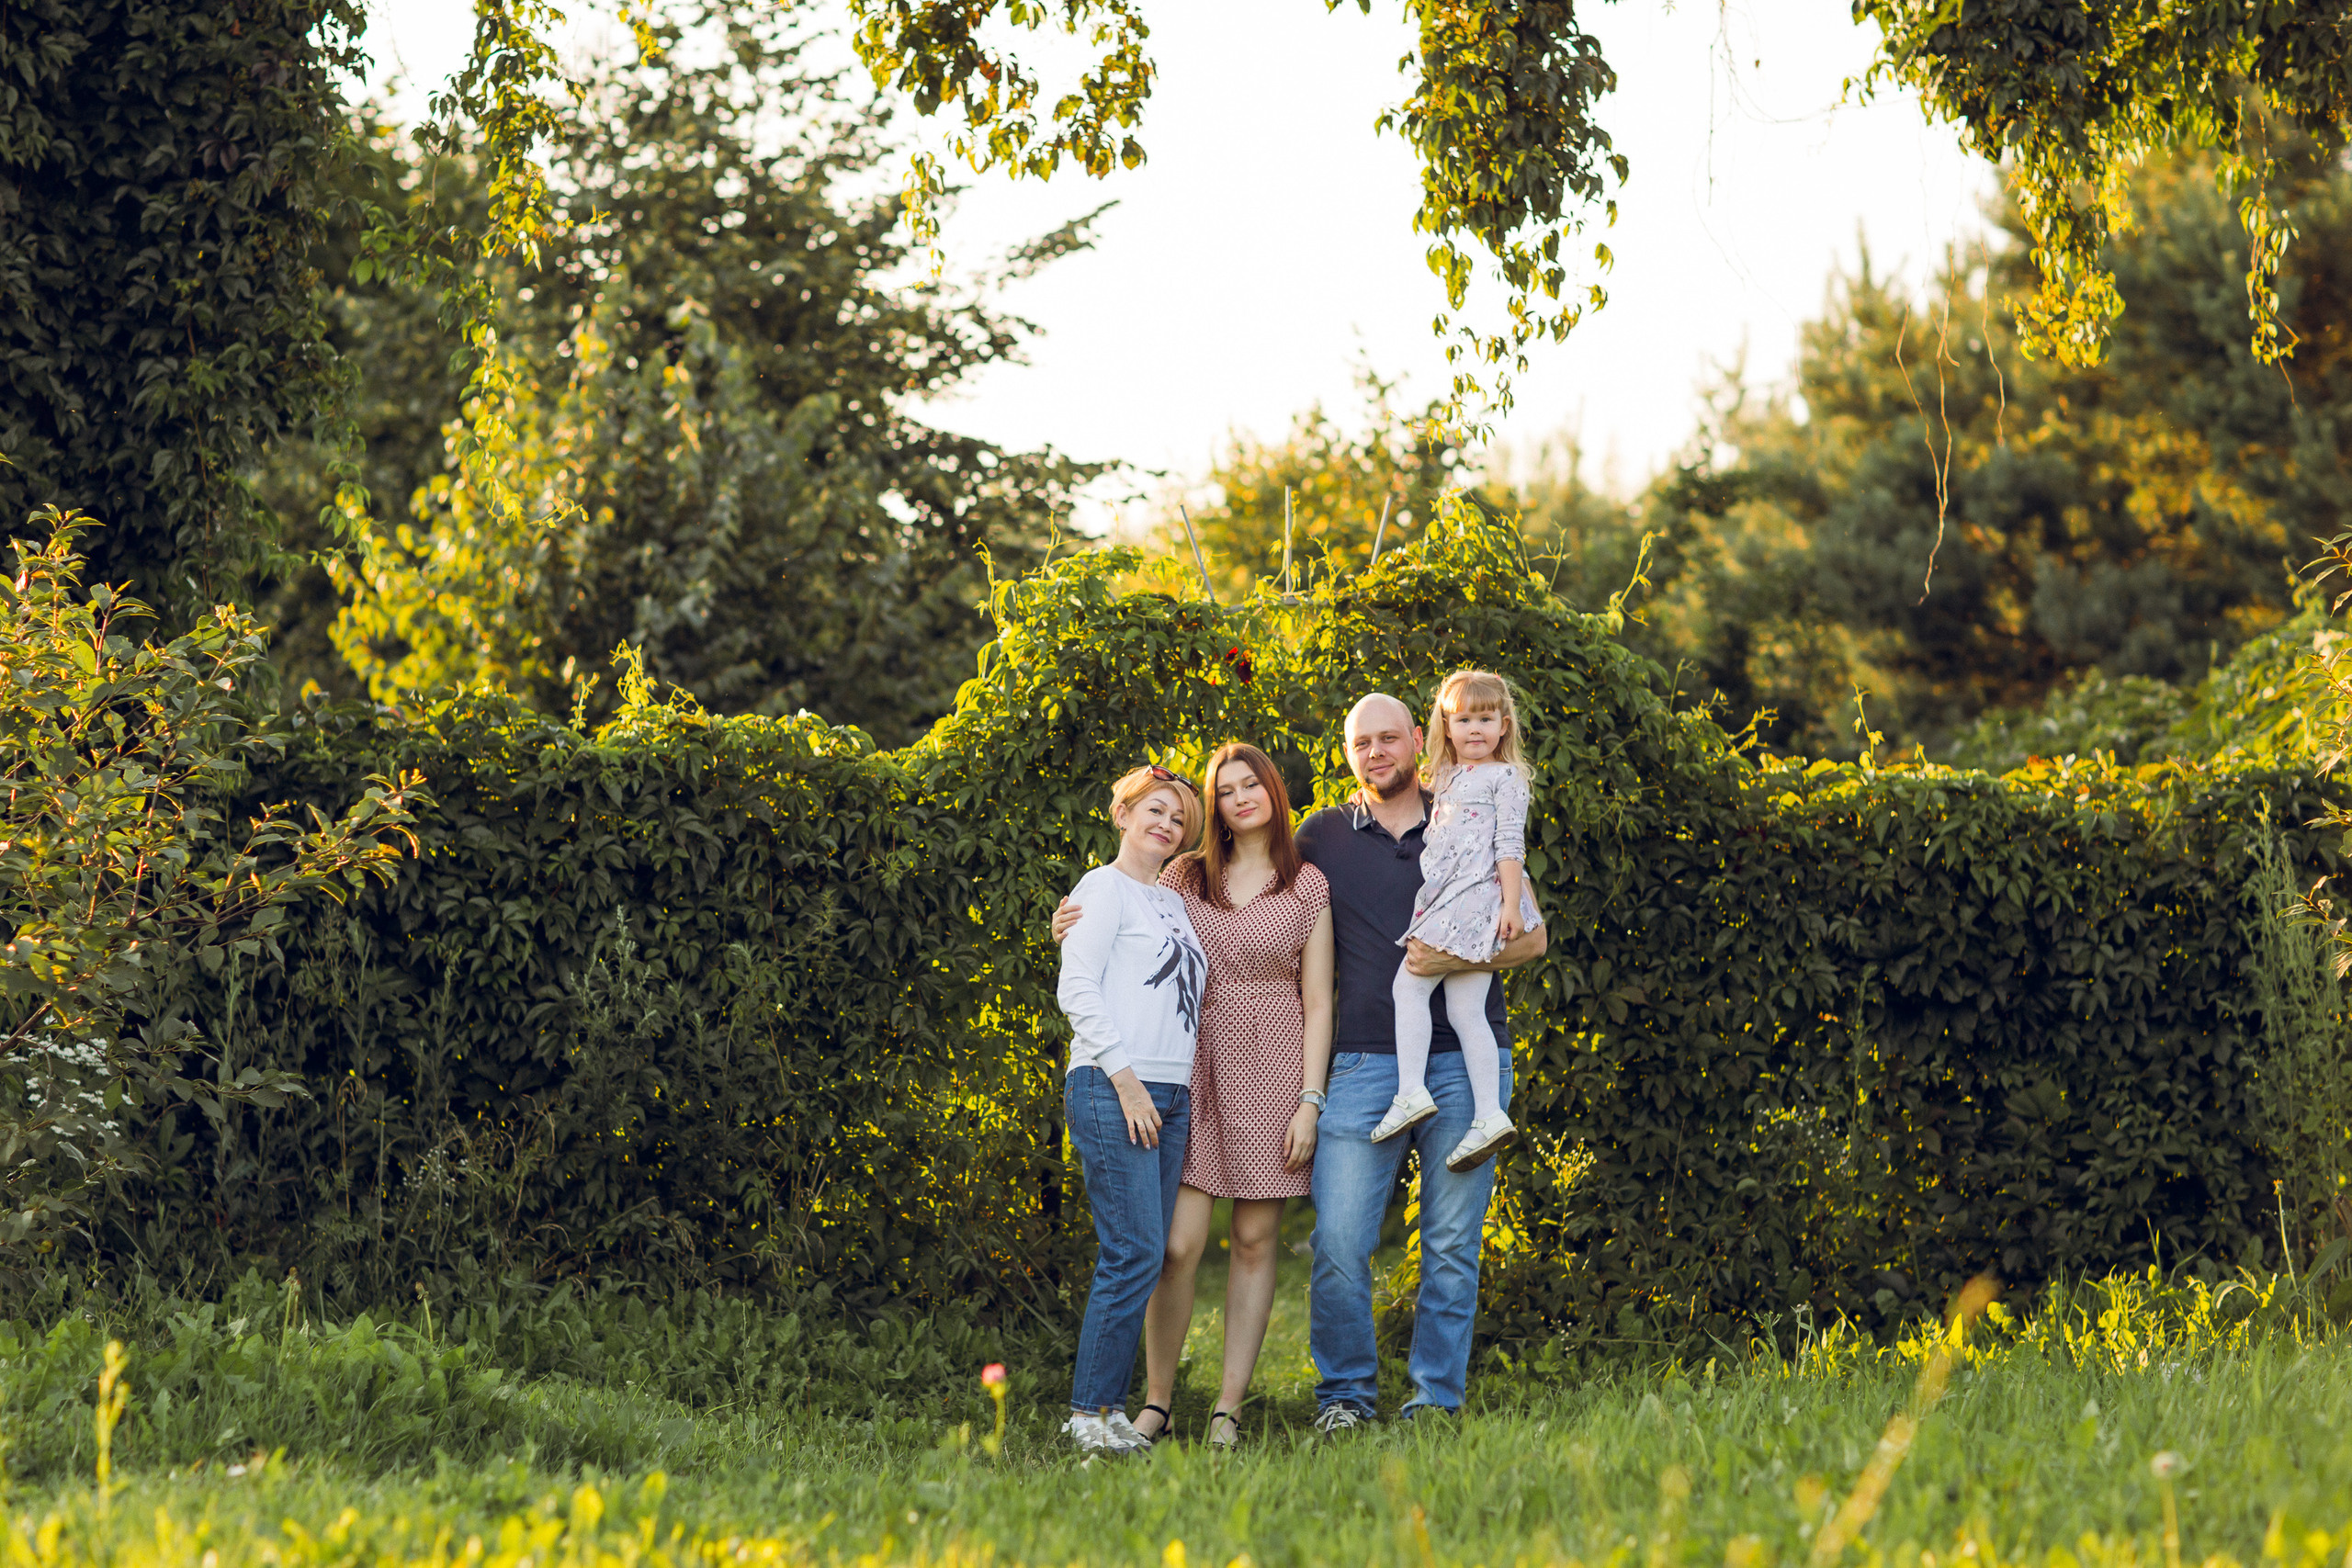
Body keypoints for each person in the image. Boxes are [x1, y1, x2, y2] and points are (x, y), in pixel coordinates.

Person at [1050, 742, 1336, 1449]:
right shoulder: (1184, 875)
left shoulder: (1307, 885)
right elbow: (1120, 918)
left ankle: (1227, 1408)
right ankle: (1153, 1399)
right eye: (1225, 789)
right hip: (1189, 1065)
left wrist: (1310, 1097)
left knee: (1252, 1237)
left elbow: (1321, 998)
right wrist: (1065, 919)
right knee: (1172, 1246)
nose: (1240, 798)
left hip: (1273, 1061)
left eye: (1251, 785)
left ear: (1272, 789)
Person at [1298, 692, 1547, 1434]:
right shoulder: (1322, 837)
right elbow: (1246, 886)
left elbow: (1531, 939)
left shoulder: (1468, 803)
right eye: (1359, 743)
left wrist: (1448, 953)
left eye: (1388, 737)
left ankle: (1434, 1399)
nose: (1375, 752)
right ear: (1348, 754)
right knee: (1339, 1239)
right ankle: (1344, 1396)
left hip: (1466, 1063)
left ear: (1417, 737)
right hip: (1362, 1063)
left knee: (1449, 1244)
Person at [1056, 763, 1208, 1456]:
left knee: (1143, 1256)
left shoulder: (1172, 900)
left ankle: (1110, 1408)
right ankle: (1087, 1413)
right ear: (1121, 813)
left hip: (1170, 1094)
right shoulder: (1101, 887)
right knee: (1134, 1250)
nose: (1166, 824)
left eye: (1178, 817)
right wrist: (1126, 1081)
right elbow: (1077, 989)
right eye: (1154, 809)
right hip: (1116, 1085)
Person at [1370, 670, 1542, 1173]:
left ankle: (1410, 1090)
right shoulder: (1446, 776)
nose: (1474, 729)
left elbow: (1511, 846)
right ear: (1445, 727)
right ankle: (1489, 1113)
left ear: (1504, 725)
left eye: (1485, 719)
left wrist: (1511, 907)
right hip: (1450, 897)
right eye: (1463, 719)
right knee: (1468, 1010)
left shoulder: (1506, 778)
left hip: (1471, 900)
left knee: (1409, 987)